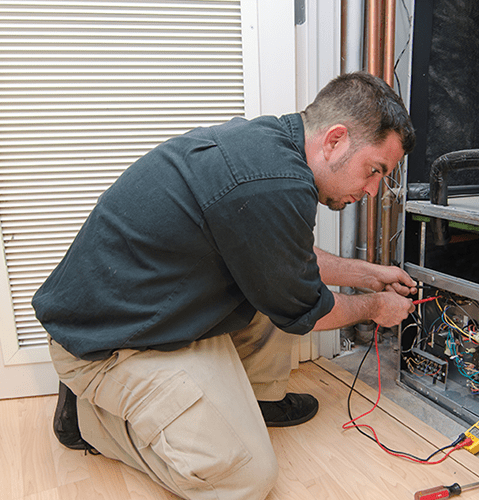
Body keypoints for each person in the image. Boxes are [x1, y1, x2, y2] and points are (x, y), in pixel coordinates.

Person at [32, 71, 418, 500]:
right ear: (335, 140)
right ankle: (89, 419)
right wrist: (374, 307)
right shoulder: (276, 185)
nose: (372, 189)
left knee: (277, 286)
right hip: (106, 344)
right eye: (374, 170)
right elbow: (312, 310)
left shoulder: (271, 147)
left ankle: (256, 400)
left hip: (143, 310)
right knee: (244, 478)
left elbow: (284, 257)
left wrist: (368, 275)